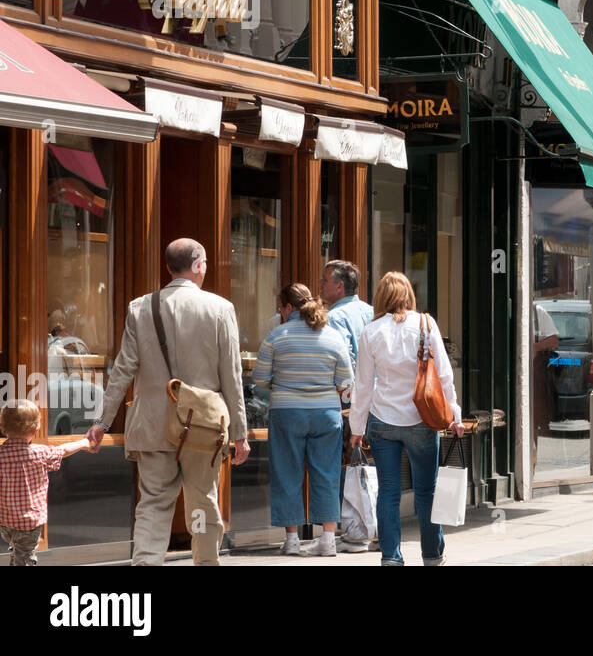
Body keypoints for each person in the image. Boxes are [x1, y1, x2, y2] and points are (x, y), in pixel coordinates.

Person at [89, 239, 250, 566]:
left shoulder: (140, 308)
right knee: (202, 502)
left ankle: (146, 564)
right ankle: (205, 562)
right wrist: (240, 434)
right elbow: (231, 375)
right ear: (199, 265)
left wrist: (102, 421)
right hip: (202, 428)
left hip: (152, 427)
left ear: (168, 268)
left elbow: (123, 368)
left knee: (152, 504)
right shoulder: (220, 309)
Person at [349, 272, 465, 566]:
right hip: (421, 419)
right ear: (408, 295)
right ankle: (432, 555)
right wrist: (454, 415)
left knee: (388, 491)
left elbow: (363, 385)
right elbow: (444, 375)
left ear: (381, 298)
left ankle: (391, 557)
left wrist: (356, 428)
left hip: (383, 419)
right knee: (426, 490)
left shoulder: (371, 331)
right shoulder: (425, 324)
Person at [253, 283, 355, 556]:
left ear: (287, 308)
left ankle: (292, 540)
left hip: (286, 412)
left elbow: (259, 379)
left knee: (287, 473)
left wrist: (283, 381)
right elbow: (347, 380)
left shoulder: (277, 336)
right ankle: (328, 540)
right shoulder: (333, 336)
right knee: (327, 473)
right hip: (326, 414)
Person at [0, 400, 91, 565]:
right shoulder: (40, 453)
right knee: (25, 558)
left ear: (3, 428)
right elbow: (64, 450)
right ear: (36, 430)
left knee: (17, 548)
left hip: (4, 521)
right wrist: (83, 443)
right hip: (29, 523)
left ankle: (16, 552)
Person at [320, 259, 373, 366]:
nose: (320, 283)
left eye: (324, 280)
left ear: (339, 286)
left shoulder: (334, 317)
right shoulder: (372, 311)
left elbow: (344, 359)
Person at [530, 302, 561, 470]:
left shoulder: (537, 311)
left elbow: (554, 339)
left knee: (534, 423)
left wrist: (534, 347)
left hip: (534, 376)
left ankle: (531, 467)